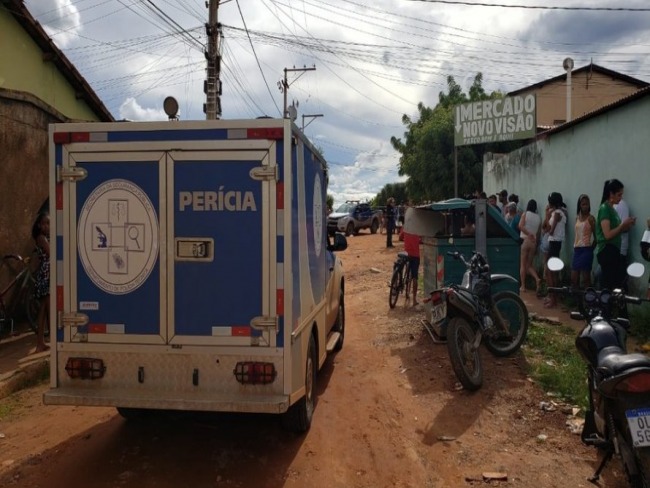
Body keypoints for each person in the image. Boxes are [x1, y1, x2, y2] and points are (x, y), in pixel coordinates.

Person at [596, 179, 636, 291]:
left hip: (614, 249)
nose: (621, 198)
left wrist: (627, 225)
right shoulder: (605, 209)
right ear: (611, 194)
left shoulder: (612, 210)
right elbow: (607, 235)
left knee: (614, 284)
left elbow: (617, 230)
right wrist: (623, 225)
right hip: (607, 250)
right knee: (608, 285)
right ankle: (605, 307)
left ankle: (609, 306)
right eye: (619, 195)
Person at [543, 192, 567, 308]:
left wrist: (547, 216)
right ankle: (554, 297)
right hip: (556, 244)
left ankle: (553, 299)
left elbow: (549, 231)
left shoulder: (557, 214)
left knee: (549, 272)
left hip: (554, 243)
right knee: (553, 272)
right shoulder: (559, 213)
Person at [32, 212, 50, 353]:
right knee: (46, 309)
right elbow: (51, 252)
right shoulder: (42, 238)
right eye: (44, 223)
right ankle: (41, 342)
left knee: (44, 310)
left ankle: (40, 343)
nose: (47, 226)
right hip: (46, 275)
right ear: (39, 225)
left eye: (48, 223)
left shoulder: (42, 237)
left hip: (46, 273)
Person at [571, 194, 597, 289]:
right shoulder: (577, 218)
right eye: (583, 204)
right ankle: (578, 301)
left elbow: (596, 237)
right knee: (574, 278)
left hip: (586, 249)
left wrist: (590, 250)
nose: (585, 206)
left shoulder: (591, 218)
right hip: (577, 250)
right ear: (579, 205)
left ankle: (588, 301)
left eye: (587, 204)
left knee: (586, 278)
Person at [518, 199, 542, 293]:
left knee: (523, 265)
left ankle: (523, 286)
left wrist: (528, 234)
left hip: (525, 240)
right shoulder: (538, 218)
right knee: (529, 265)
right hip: (533, 243)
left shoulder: (525, 214)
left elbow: (520, 226)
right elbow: (539, 233)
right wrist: (536, 241)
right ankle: (537, 279)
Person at [400, 228, 421, 306]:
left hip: (407, 254)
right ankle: (414, 299)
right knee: (415, 277)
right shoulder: (418, 229)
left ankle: (401, 282)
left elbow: (401, 236)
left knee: (404, 268)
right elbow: (421, 239)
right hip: (416, 256)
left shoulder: (405, 227)